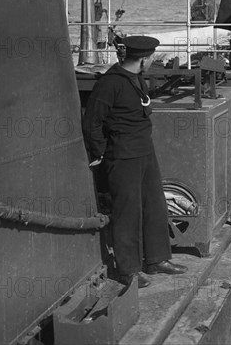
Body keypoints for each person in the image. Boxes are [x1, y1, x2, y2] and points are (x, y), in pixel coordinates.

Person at [82, 36, 187, 289]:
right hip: (123, 155)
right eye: (151, 58)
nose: (152, 62)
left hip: (144, 151)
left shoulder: (136, 79)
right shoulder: (110, 84)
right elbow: (92, 123)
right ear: (143, 60)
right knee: (127, 213)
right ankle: (128, 270)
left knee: (155, 206)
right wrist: (101, 154)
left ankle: (157, 259)